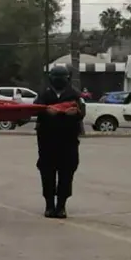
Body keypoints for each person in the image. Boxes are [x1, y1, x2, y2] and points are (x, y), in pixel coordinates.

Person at [34, 65, 85, 219]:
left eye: (61, 77)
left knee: (66, 173)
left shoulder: (74, 94)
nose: (58, 80)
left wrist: (75, 113)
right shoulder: (44, 93)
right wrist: (45, 111)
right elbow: (35, 109)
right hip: (47, 141)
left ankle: (61, 206)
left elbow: (82, 111)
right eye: (55, 77)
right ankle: (49, 205)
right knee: (47, 173)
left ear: (67, 78)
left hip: (68, 141)